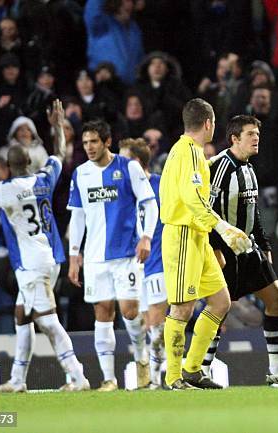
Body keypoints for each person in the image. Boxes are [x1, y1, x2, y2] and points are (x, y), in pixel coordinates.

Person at [0, 99, 90, 392]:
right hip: (49, 256)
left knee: (47, 321)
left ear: (8, 166)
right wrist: (57, 126)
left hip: (32, 264)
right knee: (22, 315)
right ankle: (18, 380)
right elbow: (58, 153)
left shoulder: (4, 190)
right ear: (30, 162)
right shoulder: (44, 178)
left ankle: (78, 376)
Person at [202, 115, 278, 387]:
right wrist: (214, 248)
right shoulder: (220, 168)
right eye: (250, 134)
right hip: (224, 250)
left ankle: (277, 370)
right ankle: (202, 370)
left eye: (257, 133)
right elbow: (205, 211)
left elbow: (253, 211)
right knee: (218, 309)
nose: (256, 138)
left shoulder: (248, 168)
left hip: (248, 249)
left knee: (277, 301)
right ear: (235, 138)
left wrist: (265, 245)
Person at [159, 98, 251, 390]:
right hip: (184, 234)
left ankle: (192, 369)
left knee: (221, 301)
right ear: (208, 123)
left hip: (197, 235)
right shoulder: (187, 153)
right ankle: (173, 377)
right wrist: (223, 228)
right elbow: (192, 198)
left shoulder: (191, 153)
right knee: (182, 308)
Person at [67, 119, 158, 392]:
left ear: (107, 142)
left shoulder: (128, 167)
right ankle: (109, 379)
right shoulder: (80, 174)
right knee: (102, 313)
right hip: (94, 258)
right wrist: (74, 254)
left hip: (126, 253)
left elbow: (149, 203)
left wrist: (146, 237)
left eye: (94, 141)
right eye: (85, 143)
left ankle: (141, 357)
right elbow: (78, 216)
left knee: (130, 311)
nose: (89, 147)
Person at [118, 138, 166, 389]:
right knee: (147, 323)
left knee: (157, 323)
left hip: (159, 263)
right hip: (135, 266)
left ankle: (157, 380)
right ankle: (154, 374)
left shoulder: (161, 185)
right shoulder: (124, 190)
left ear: (136, 162)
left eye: (124, 159)